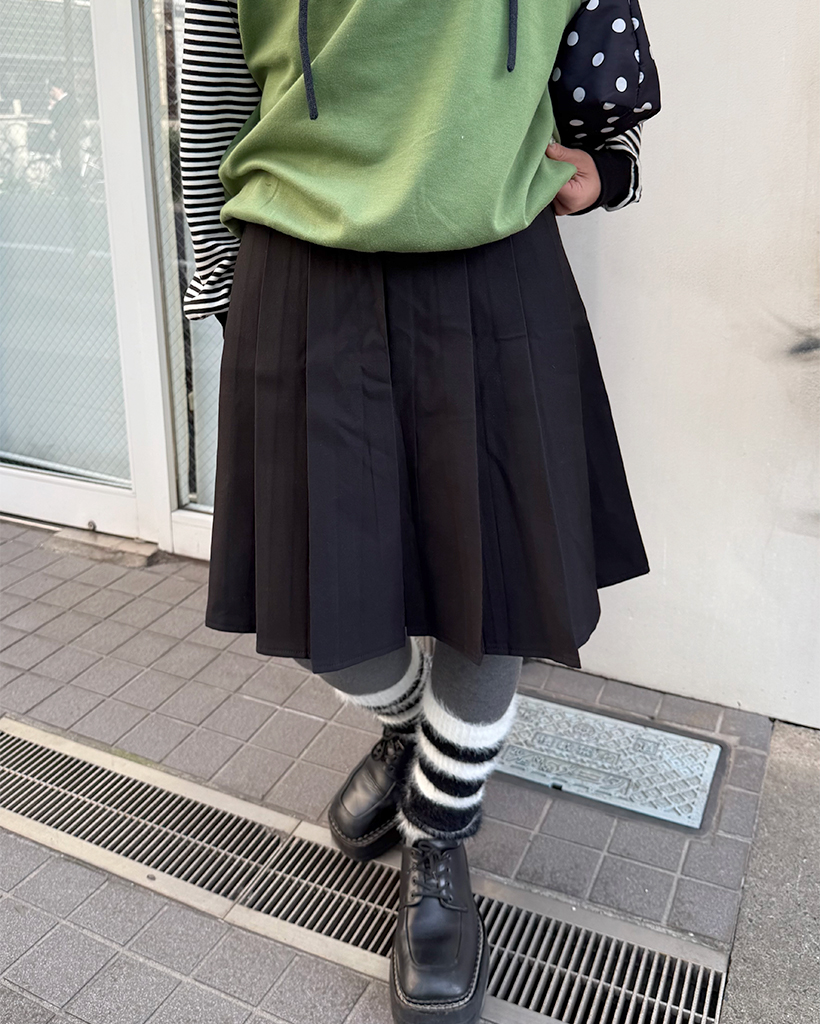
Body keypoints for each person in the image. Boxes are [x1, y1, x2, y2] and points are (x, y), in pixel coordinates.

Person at [180, 2, 650, 1021]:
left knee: (497, 580)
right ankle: (413, 728)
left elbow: (600, 68)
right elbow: (212, 93)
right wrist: (219, 286)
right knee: (314, 588)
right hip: (299, 257)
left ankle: (438, 830)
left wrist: (610, 167)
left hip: (493, 256)